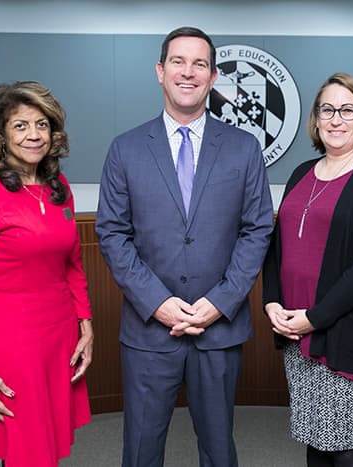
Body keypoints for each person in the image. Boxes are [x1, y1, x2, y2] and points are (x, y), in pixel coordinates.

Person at [95, 26, 273, 467]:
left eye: (199, 64)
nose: (188, 72)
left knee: (218, 450)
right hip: (149, 330)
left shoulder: (244, 148)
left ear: (213, 77)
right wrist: (158, 303)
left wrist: (220, 301)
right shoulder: (126, 149)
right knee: (141, 450)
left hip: (219, 329)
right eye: (178, 61)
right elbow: (113, 234)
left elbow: (257, 231)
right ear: (160, 71)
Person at [0, 81, 94, 467]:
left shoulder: (57, 186)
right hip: (10, 342)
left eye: (42, 124)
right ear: (1, 133)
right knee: (27, 452)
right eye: (21, 125)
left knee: (45, 446)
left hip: (57, 337)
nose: (34, 135)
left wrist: (86, 324)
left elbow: (73, 265)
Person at [262, 72, 353, 467]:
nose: (336, 119)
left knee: (345, 445)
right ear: (316, 118)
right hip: (296, 331)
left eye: (347, 110)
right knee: (316, 440)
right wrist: (271, 301)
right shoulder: (301, 173)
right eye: (328, 109)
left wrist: (315, 318)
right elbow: (278, 246)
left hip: (346, 334)